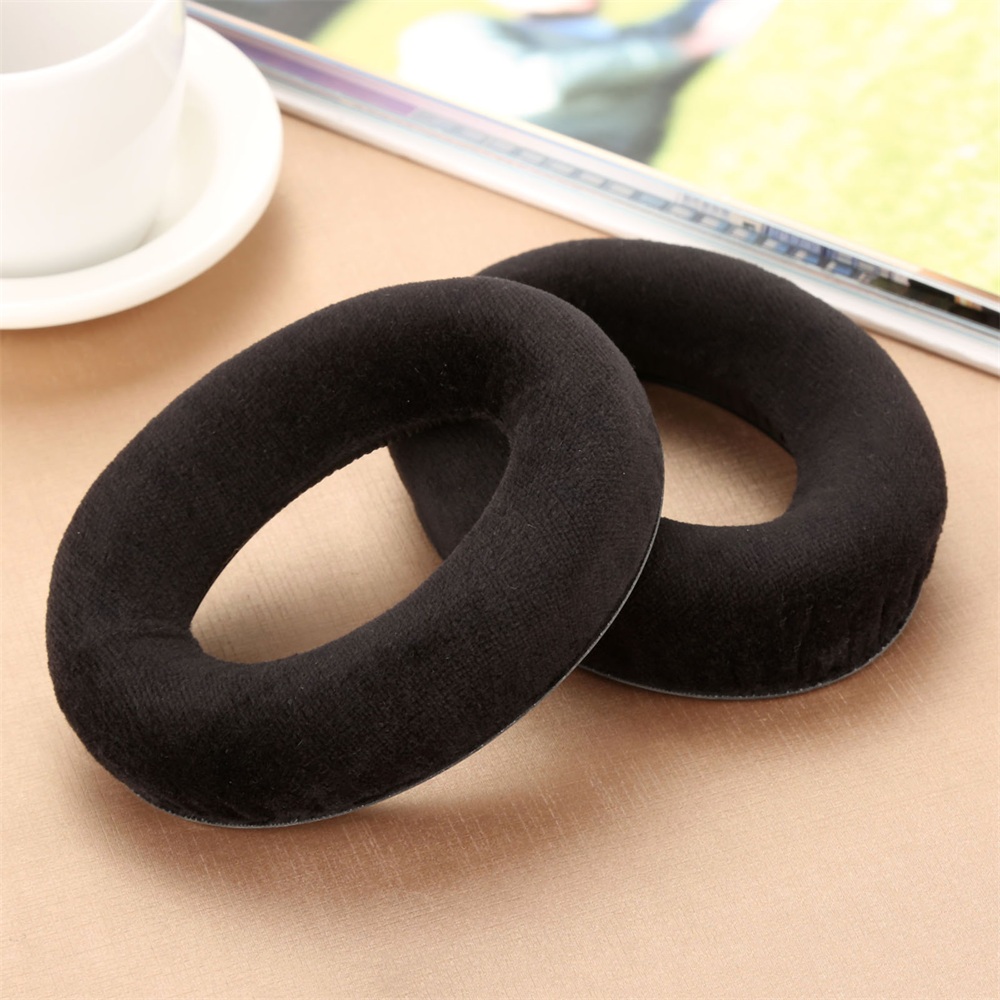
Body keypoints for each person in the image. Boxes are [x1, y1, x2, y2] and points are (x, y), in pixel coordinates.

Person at [399, 0, 780, 163]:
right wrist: (690, 46)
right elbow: (537, 84)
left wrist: (692, 43)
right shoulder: (445, 36)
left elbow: (685, 31)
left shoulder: (589, 39)